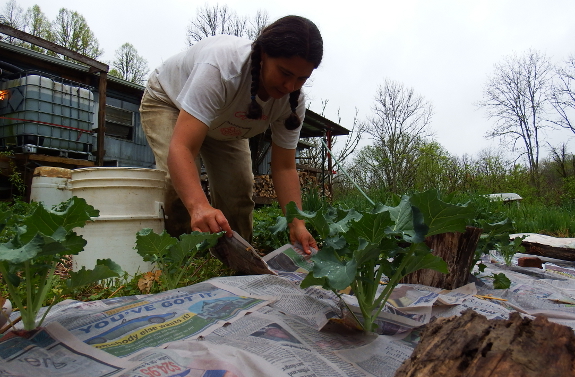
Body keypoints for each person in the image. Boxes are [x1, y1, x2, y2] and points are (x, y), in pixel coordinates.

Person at [139, 15, 322, 254]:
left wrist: (297, 222)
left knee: (237, 195)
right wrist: (198, 207)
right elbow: (182, 148)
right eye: (285, 73)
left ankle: (237, 261)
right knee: (178, 189)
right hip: (169, 101)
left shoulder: (292, 102)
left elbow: (284, 168)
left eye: (301, 78)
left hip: (224, 124)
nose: (290, 86)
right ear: (264, 55)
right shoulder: (222, 69)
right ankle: (179, 262)